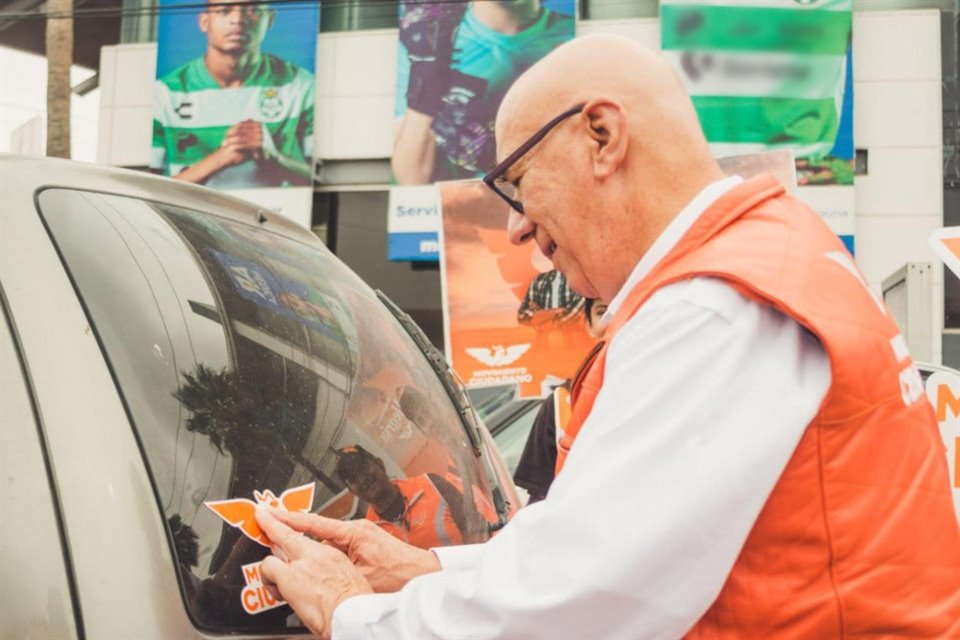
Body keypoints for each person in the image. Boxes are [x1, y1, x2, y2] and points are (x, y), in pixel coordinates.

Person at [254, 35, 960, 639]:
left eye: (516, 181)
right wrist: (425, 567)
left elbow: (578, 600)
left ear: (601, 136)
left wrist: (351, 613)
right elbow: (606, 546)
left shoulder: (711, 306)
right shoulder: (772, 255)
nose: (517, 227)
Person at [392, 0, 573, 184]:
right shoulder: (428, 38)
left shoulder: (573, 39)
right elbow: (411, 179)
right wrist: (427, 79)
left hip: (537, 204)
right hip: (460, 207)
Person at [152, 0, 314, 188]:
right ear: (204, 21)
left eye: (252, 10)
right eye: (224, 11)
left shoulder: (301, 85)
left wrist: (273, 157)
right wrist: (223, 157)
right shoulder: (166, 93)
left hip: (274, 213)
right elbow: (151, 191)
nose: (238, 19)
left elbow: (318, 179)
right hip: (191, 216)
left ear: (269, 19)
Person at [513, 298, 607, 502]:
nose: (612, 319)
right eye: (602, 312)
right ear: (589, 326)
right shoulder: (560, 404)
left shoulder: (663, 387)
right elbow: (539, 498)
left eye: (622, 308)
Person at [334, 445, 482, 551]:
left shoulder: (433, 485)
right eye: (353, 478)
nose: (362, 479)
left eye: (363, 468)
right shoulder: (371, 536)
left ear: (380, 464)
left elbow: (479, 532)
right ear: (351, 491)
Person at [516, 268, 583, 327]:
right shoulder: (539, 279)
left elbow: (572, 317)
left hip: (573, 338)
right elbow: (522, 317)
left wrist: (541, 315)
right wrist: (558, 310)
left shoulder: (582, 281)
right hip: (543, 339)